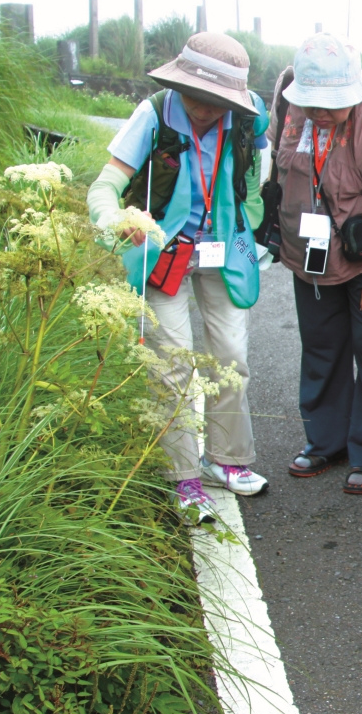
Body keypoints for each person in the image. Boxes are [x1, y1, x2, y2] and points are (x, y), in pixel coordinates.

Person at [87, 32, 271, 519]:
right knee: (170, 366)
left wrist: (248, 215)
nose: (205, 109)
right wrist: (118, 223)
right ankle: (183, 477)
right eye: (196, 96)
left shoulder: (249, 116)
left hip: (221, 248)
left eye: (216, 101)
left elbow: (257, 170)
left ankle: (229, 459)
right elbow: (105, 185)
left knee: (231, 355)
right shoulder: (152, 114)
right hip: (161, 252)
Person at [275, 34, 362, 495]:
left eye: (331, 104)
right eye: (312, 102)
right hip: (312, 255)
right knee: (321, 345)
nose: (320, 112)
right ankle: (326, 441)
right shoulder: (291, 109)